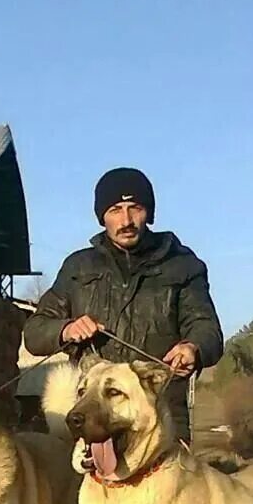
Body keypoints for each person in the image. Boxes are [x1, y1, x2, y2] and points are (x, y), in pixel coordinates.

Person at [23, 167, 223, 442]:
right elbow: (34, 333)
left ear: (149, 213)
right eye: (115, 209)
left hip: (160, 417)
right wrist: (66, 329)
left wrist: (193, 348)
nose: (126, 219)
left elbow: (207, 329)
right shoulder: (78, 267)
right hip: (95, 416)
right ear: (102, 216)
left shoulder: (183, 265)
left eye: (135, 208)